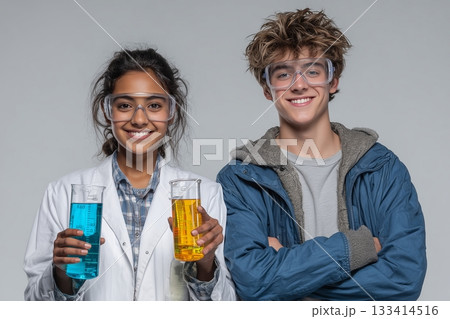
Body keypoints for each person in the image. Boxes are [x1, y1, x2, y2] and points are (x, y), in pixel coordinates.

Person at [216, 8, 426, 300]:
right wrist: (356, 248)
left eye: (313, 70)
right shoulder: (241, 178)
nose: (299, 84)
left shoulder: (382, 168)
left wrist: (289, 271)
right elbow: (253, 282)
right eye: (283, 73)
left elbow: (403, 281)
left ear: (333, 80)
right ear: (267, 89)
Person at [24, 48, 236, 300]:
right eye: (125, 105)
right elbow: (34, 303)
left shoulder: (207, 194)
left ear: (172, 111)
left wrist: (206, 264)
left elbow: (226, 303)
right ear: (107, 110)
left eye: (154, 105)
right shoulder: (61, 193)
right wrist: (60, 273)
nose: (139, 119)